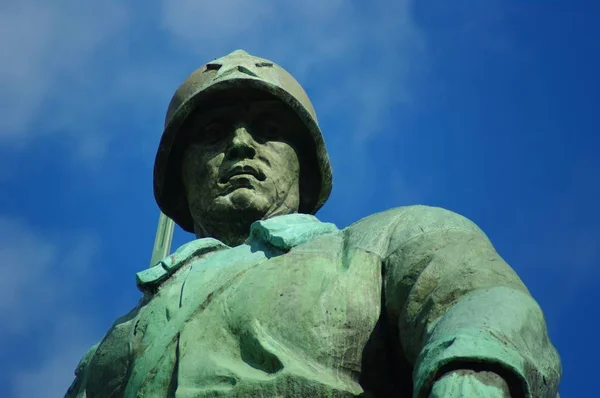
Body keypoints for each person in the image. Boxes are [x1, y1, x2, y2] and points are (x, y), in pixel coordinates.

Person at [66, 50, 561, 397]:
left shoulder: (391, 239)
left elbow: (482, 306)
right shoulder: (112, 346)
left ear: (305, 166)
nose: (241, 144)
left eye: (269, 129)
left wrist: (469, 374)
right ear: (180, 177)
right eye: (214, 133)